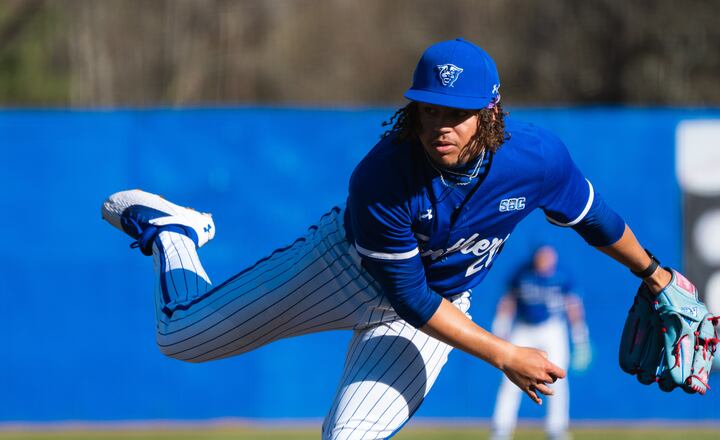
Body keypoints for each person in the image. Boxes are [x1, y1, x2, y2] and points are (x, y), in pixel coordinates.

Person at [102, 38, 677, 439]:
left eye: (459, 111)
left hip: (440, 308)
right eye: (429, 108)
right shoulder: (382, 177)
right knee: (179, 336)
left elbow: (595, 219)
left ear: (491, 111)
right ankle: (173, 231)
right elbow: (410, 297)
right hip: (344, 269)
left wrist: (656, 275)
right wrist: (504, 354)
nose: (441, 124)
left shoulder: (537, 158)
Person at [490, 245, 590, 440]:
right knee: (510, 379)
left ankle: (556, 428)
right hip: (524, 328)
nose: (545, 262)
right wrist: (501, 326)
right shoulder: (522, 272)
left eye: (549, 257)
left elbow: (573, 305)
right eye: (542, 257)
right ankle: (501, 429)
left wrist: (580, 336)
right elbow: (508, 300)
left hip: (553, 329)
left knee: (559, 379)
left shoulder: (562, 275)